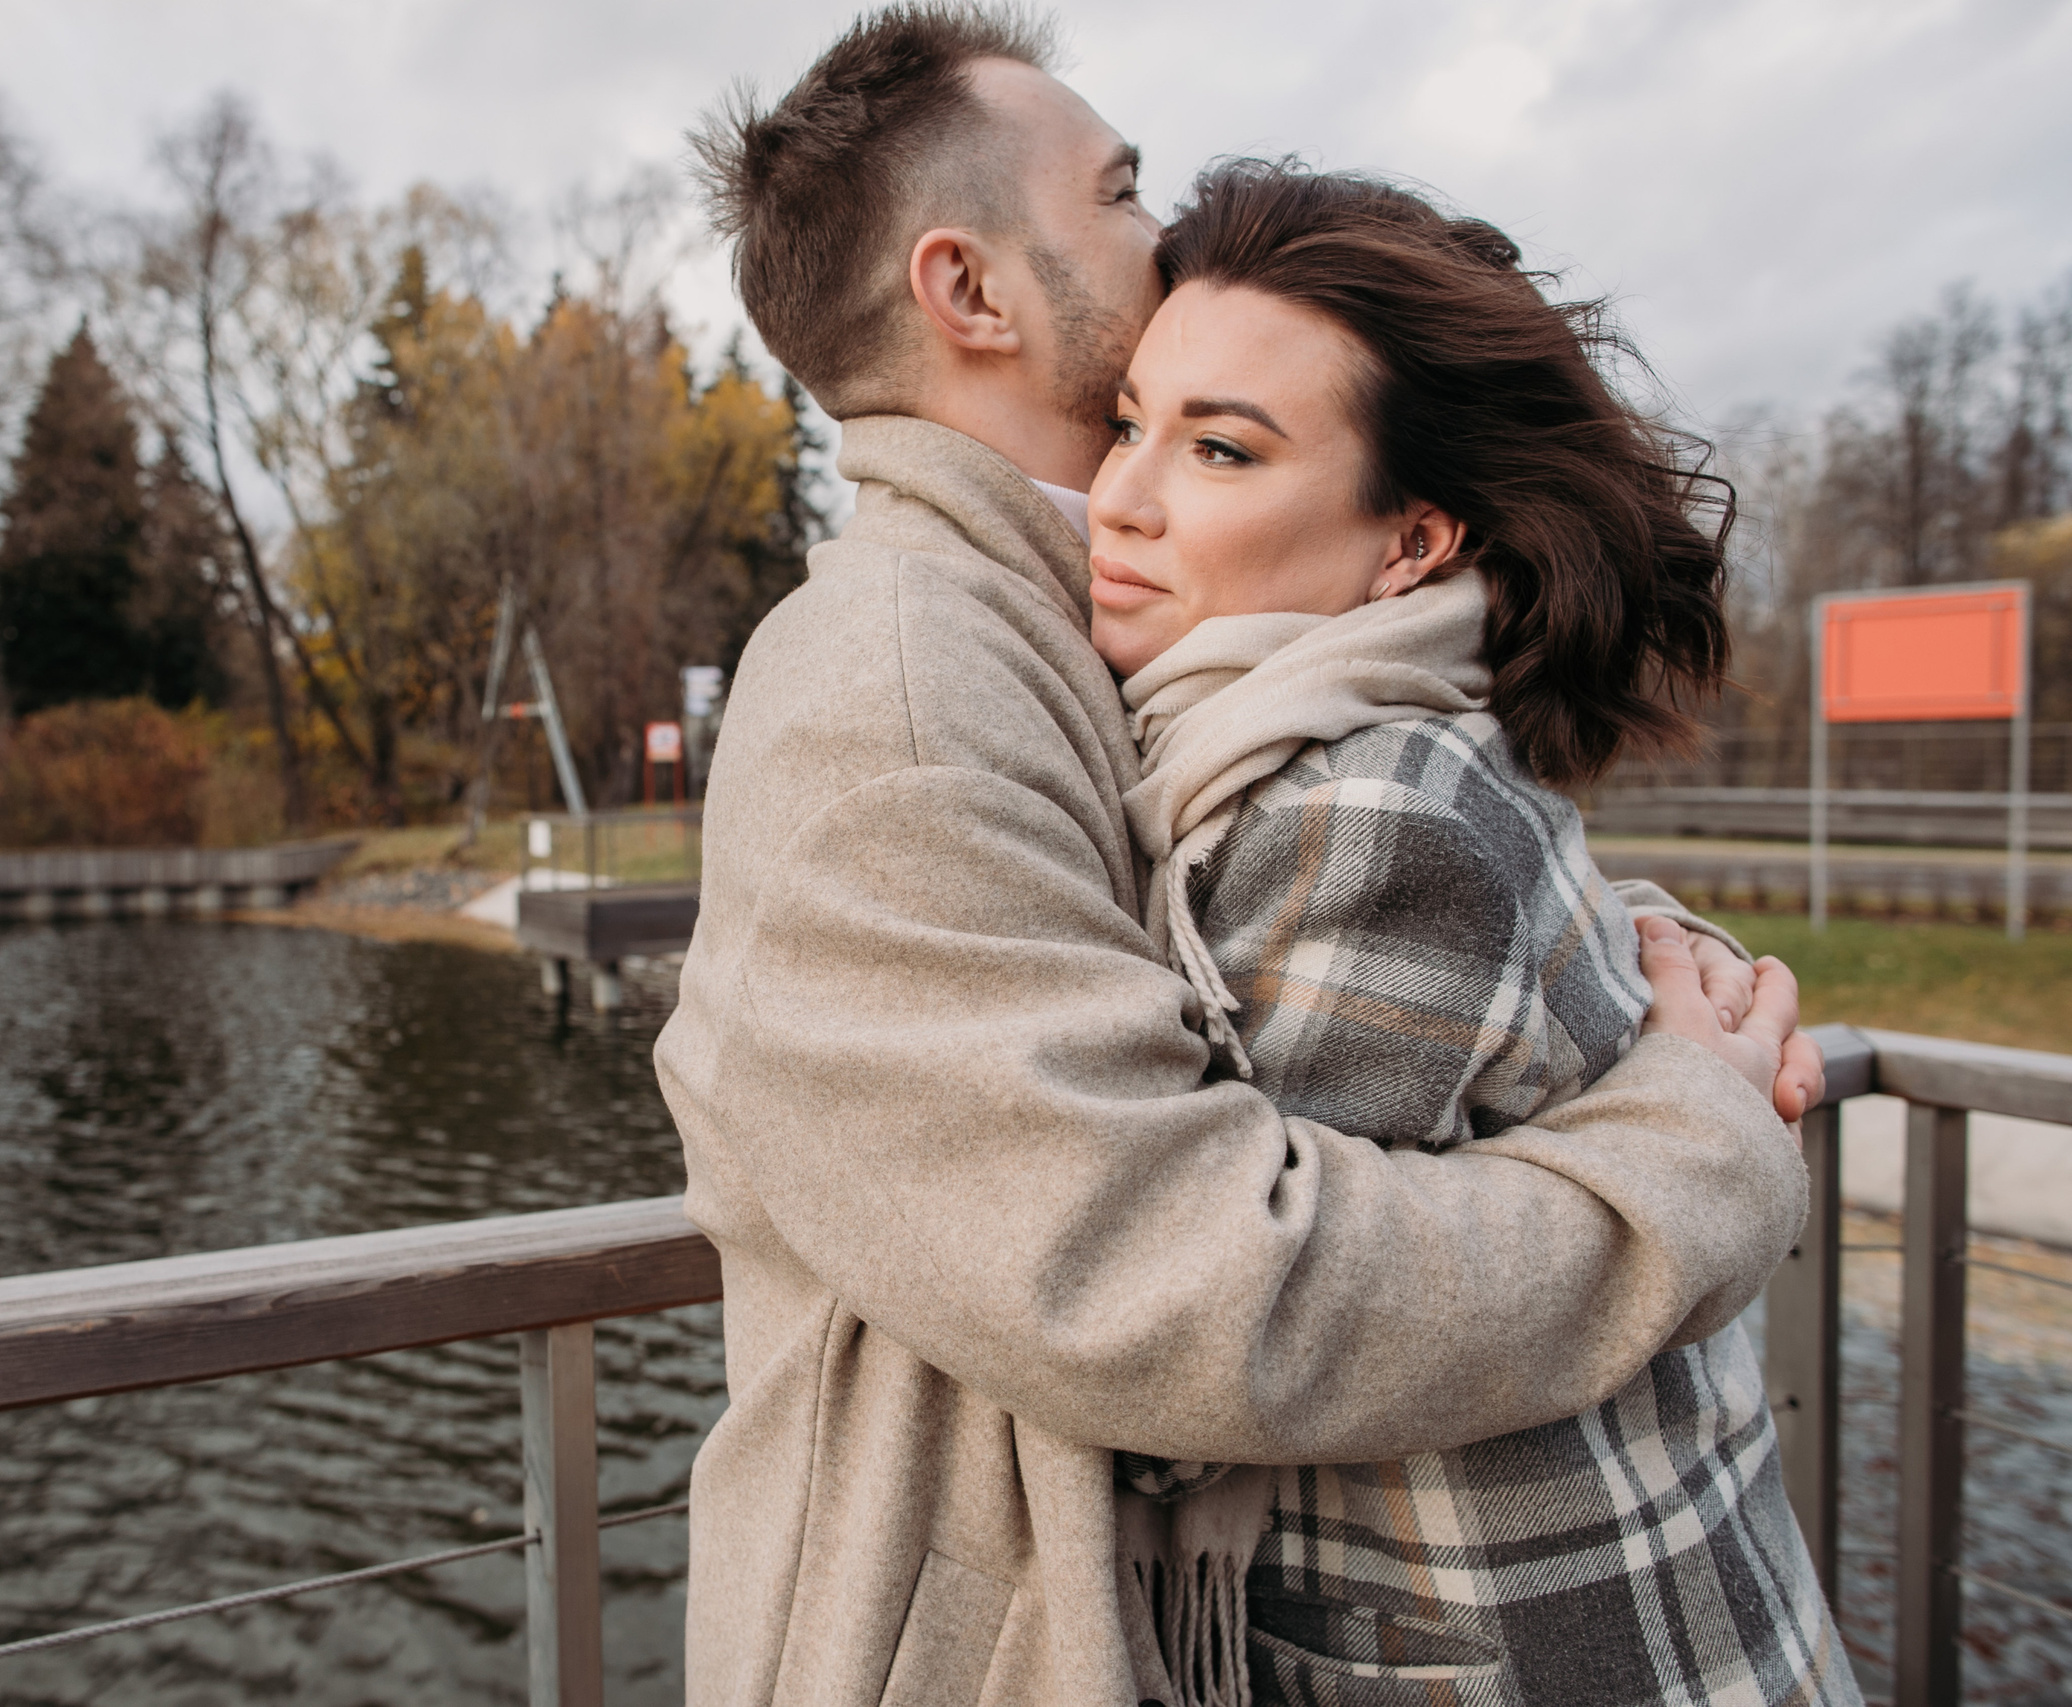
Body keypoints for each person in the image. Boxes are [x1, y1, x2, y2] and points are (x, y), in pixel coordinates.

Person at [659, 7, 1824, 1702]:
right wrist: (1690, 1156)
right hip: (967, 1646)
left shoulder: (1064, 625)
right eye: (1121, 191)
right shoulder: (897, 696)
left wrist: (1602, 947)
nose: (1170, 222)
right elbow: (1174, 1285)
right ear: (969, 290)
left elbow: (1274, 882)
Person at [1092, 160, 1856, 1707]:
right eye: (1128, 422)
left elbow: (1208, 1358)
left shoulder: (1365, 804)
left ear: (1411, 545)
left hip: (1544, 1645)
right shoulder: (1331, 746)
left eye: (1222, 449)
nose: (1123, 495)